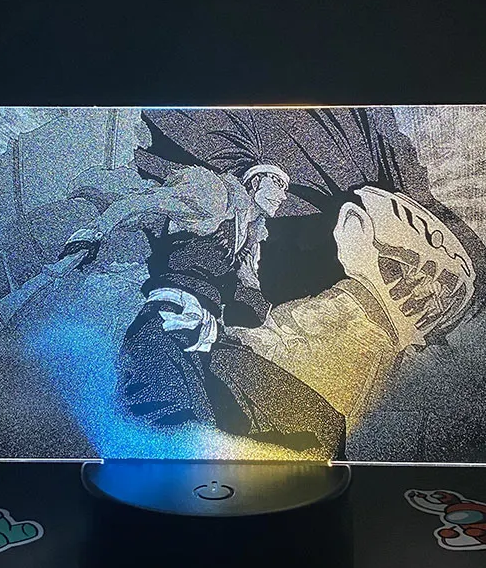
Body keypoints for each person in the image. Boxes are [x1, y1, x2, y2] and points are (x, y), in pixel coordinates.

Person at [55, 162, 347, 458]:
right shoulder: (213, 195)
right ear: (254, 182)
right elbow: (143, 204)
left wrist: (257, 301)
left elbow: (251, 306)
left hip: (209, 339)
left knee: (321, 424)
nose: (283, 196)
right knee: (171, 432)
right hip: (166, 326)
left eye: (285, 188)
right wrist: (95, 232)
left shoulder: (248, 239)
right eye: (277, 183)